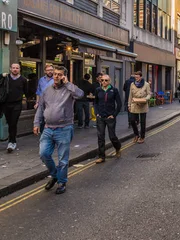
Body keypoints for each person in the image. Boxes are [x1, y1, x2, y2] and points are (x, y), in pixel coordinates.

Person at [33, 66, 84, 194]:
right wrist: (36, 123)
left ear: (64, 76)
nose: (56, 76)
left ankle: (62, 182)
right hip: (48, 128)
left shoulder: (69, 89)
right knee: (43, 154)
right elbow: (40, 108)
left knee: (63, 159)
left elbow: (80, 94)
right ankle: (55, 175)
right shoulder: (46, 90)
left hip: (64, 129)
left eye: (59, 74)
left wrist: (67, 83)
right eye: (55, 74)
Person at [0, 63, 27, 153]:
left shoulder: (23, 80)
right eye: (13, 68)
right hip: (6, 104)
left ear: (20, 69)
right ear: (10, 69)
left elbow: (26, 91)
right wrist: (0, 75)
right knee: (10, 123)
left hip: (17, 104)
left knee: (13, 122)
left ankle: (12, 142)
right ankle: (12, 139)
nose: (15, 69)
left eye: (17, 68)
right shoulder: (5, 78)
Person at [94, 75, 122, 164]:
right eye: (102, 80)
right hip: (101, 117)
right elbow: (95, 102)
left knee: (112, 136)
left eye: (106, 80)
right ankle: (101, 156)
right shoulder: (98, 90)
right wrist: (97, 113)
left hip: (110, 117)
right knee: (100, 137)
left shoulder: (114, 90)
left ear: (109, 81)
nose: (104, 82)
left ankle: (118, 147)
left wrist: (114, 115)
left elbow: (119, 104)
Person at [128, 71, 152, 144]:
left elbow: (149, 94)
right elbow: (130, 95)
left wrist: (146, 99)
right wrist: (129, 105)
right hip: (134, 104)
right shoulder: (132, 84)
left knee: (142, 122)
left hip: (143, 104)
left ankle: (142, 137)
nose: (136, 79)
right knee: (132, 120)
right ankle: (136, 135)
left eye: (137, 77)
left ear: (141, 77)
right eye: (135, 77)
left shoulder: (146, 84)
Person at [35, 64, 55, 131]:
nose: (50, 71)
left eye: (51, 70)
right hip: (42, 103)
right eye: (48, 70)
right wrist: (37, 102)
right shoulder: (41, 80)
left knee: (50, 120)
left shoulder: (56, 79)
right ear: (45, 71)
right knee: (41, 120)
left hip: (52, 104)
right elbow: (38, 91)